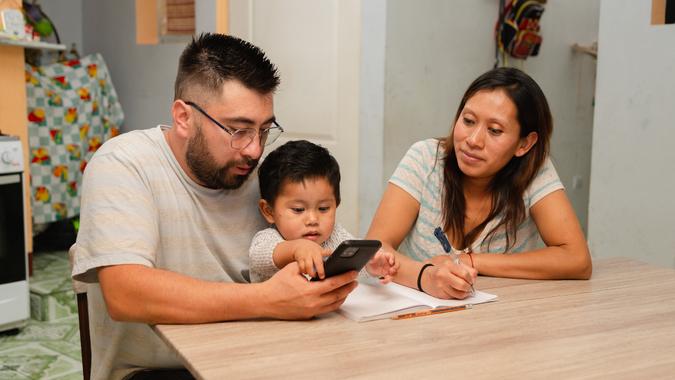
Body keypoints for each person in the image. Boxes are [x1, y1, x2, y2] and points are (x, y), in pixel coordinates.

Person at [70, 33, 358, 380]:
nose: (254, 150)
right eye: (238, 130)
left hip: (259, 356)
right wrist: (268, 300)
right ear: (183, 117)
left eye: (264, 130)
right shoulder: (124, 164)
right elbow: (126, 293)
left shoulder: (261, 178)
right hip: (157, 370)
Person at [366, 67, 592, 300]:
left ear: (524, 144)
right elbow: (375, 248)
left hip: (501, 320)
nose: (473, 140)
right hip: (419, 318)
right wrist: (427, 277)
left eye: (494, 130)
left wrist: (470, 260)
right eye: (468, 120)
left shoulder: (535, 171)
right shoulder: (425, 159)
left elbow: (577, 259)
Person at [249, 140, 399, 283]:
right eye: (298, 210)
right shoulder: (267, 239)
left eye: (323, 208)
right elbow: (261, 256)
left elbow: (354, 262)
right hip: (275, 309)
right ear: (269, 211)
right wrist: (297, 249)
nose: (313, 219)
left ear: (336, 204)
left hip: (330, 308)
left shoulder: (336, 236)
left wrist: (371, 265)